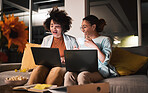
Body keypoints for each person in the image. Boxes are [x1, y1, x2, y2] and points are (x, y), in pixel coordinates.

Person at [28, 7, 78, 86]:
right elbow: (42, 56)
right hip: (47, 65)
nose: (54, 29)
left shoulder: (72, 40)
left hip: (62, 66)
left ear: (63, 27)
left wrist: (66, 59)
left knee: (57, 70)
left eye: (57, 26)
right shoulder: (46, 39)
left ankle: (46, 90)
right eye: (52, 26)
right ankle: (29, 89)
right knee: (38, 69)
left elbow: (76, 58)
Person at [64, 15, 118, 86]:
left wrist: (94, 46)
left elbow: (105, 61)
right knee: (68, 74)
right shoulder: (82, 41)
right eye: (82, 27)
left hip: (99, 70)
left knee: (82, 76)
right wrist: (75, 54)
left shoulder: (105, 39)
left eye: (85, 27)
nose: (83, 30)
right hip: (82, 68)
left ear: (93, 27)